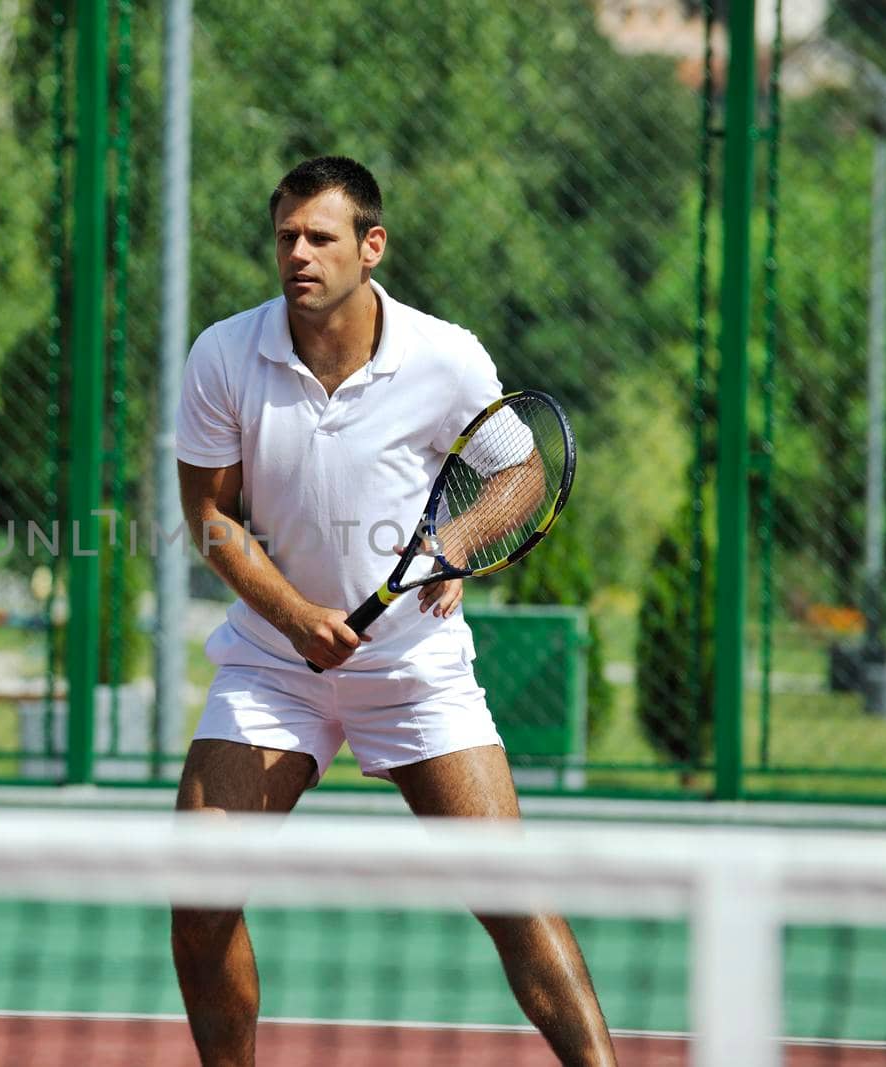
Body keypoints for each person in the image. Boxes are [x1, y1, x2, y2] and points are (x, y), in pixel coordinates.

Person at [171, 155, 617, 1066]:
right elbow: (211, 515)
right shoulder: (224, 352)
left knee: (515, 902)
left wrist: (451, 549)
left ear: (371, 247)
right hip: (272, 669)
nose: (299, 253)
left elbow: (520, 470)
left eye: (321, 237)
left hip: (416, 673)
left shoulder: (444, 356)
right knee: (198, 889)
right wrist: (297, 617)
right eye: (286, 236)